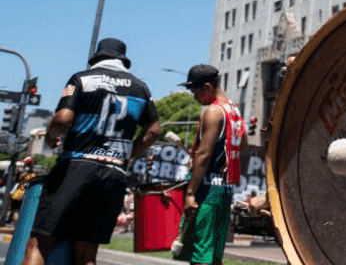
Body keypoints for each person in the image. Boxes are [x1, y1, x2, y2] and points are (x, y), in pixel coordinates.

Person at [22, 38, 160, 265]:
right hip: (113, 174)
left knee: (39, 244)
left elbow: (63, 118)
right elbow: (154, 130)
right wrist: (128, 153)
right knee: (87, 253)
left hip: (76, 166)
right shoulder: (141, 88)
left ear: (96, 57)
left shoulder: (82, 79)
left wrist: (50, 136)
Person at [175, 65, 246, 265]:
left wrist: (190, 193)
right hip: (224, 189)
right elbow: (244, 144)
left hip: (206, 190)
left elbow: (204, 154)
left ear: (206, 87)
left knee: (200, 254)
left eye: (195, 91)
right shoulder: (233, 110)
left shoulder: (214, 111)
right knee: (213, 255)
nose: (194, 96)